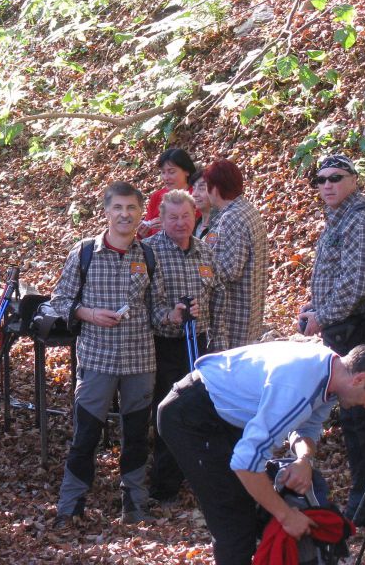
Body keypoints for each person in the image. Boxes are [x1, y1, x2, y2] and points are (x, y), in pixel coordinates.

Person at [157, 340, 365, 564]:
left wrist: (304, 459)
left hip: (223, 415)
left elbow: (307, 427)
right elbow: (245, 462)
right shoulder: (298, 385)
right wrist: (286, 516)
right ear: (359, 379)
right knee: (233, 518)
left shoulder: (331, 377)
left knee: (251, 505)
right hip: (190, 415)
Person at [50, 182, 184, 526]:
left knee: (137, 435)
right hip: (96, 359)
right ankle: (71, 505)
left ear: (142, 213)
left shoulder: (149, 256)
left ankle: (134, 504)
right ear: (107, 212)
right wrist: (89, 313)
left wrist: (172, 316)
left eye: (132, 209)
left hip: (140, 360)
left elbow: (156, 312)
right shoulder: (84, 253)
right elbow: (61, 300)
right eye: (118, 208)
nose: (125, 215)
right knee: (86, 435)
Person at [298, 154, 365, 525]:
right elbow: (337, 277)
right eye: (319, 179)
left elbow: (358, 283)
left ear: (354, 180)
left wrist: (322, 315)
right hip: (347, 327)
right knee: (364, 416)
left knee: (358, 413)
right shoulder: (339, 219)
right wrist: (315, 307)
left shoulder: (363, 220)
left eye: (335, 178)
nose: (326, 185)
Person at [144, 190, 220, 501]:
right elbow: (148, 305)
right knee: (167, 411)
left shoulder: (204, 251)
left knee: (199, 410)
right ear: (161, 219)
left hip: (199, 342)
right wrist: (171, 315)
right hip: (163, 344)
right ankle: (165, 486)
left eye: (186, 216)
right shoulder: (150, 251)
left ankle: (198, 476)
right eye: (173, 217)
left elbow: (215, 296)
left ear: (196, 216)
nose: (180, 223)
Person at [202, 158, 268, 350]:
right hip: (252, 310)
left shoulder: (232, 218)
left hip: (235, 316)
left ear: (214, 189)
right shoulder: (248, 210)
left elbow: (230, 271)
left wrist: (198, 266)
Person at [139, 148, 196, 238]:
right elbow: (147, 235)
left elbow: (200, 230)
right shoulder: (157, 197)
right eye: (163, 172)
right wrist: (143, 233)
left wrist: (170, 228)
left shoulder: (197, 196)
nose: (166, 177)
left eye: (171, 172)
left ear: (187, 171)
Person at [189, 170, 215, 239]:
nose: (194, 194)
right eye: (194, 188)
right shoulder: (195, 225)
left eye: (201, 188)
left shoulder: (220, 224)